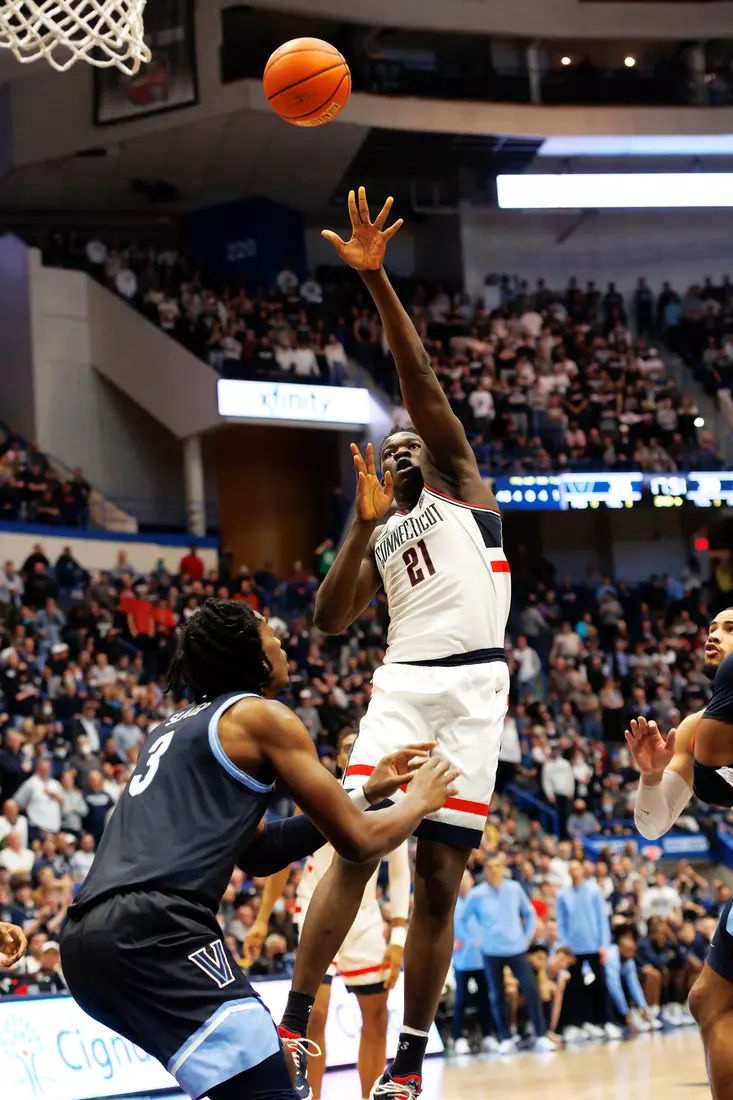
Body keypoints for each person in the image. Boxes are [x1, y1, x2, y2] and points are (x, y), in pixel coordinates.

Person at [283, 187, 511, 1100]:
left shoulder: (464, 489)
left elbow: (421, 385)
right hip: (403, 684)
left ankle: (409, 1063)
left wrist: (378, 284)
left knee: (440, 882)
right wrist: (356, 524)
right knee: (354, 846)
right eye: (394, 446)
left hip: (474, 695)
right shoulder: (380, 526)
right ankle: (298, 1019)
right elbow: (329, 624)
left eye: (415, 440)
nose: (405, 442)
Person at [59, 599, 457, 1100]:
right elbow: (358, 842)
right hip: (156, 928)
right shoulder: (262, 717)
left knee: (244, 1090)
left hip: (85, 942)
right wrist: (418, 802)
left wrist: (363, 793)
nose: (284, 642)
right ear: (252, 653)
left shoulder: (175, 727)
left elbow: (260, 851)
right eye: (271, 634)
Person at [246, 730, 412, 1100]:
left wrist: (398, 937)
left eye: (359, 744)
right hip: (314, 907)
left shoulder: (392, 800)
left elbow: (400, 872)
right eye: (345, 747)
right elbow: (282, 861)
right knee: (314, 1015)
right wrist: (261, 918)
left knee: (377, 1018)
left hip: (366, 917)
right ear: (338, 758)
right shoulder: (315, 795)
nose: (352, 750)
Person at [625, 606, 733, 1098]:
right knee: (709, 1001)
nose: (714, 635)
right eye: (711, 628)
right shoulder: (693, 727)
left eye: (730, 629)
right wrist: (650, 777)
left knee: (711, 1000)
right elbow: (652, 825)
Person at [462, 855, 555, 1053]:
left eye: (497, 867)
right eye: (490, 867)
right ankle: (505, 1037)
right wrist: (477, 937)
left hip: (516, 948)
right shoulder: (477, 894)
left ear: (503, 869)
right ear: (485, 871)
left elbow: (529, 913)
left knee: (530, 990)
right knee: (497, 995)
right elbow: (463, 918)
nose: (494, 871)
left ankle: (540, 1035)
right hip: (491, 951)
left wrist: (528, 937)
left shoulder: (514, 888)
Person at [556, 860, 618, 1042]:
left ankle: (605, 1022)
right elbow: (562, 922)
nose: (574, 872)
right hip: (574, 948)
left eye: (577, 868)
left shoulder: (594, 891)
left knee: (600, 985)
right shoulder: (563, 894)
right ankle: (579, 1023)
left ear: (582, 870)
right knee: (575, 987)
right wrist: (565, 946)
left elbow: (601, 918)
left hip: (594, 946)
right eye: (571, 869)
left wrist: (603, 945)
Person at [452, 870, 495, 1055]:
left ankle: (487, 1035)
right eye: (461, 879)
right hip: (462, 958)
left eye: (467, 878)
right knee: (460, 999)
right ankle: (458, 1038)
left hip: (481, 957)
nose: (464, 882)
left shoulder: (479, 900)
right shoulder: (452, 903)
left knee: (484, 998)